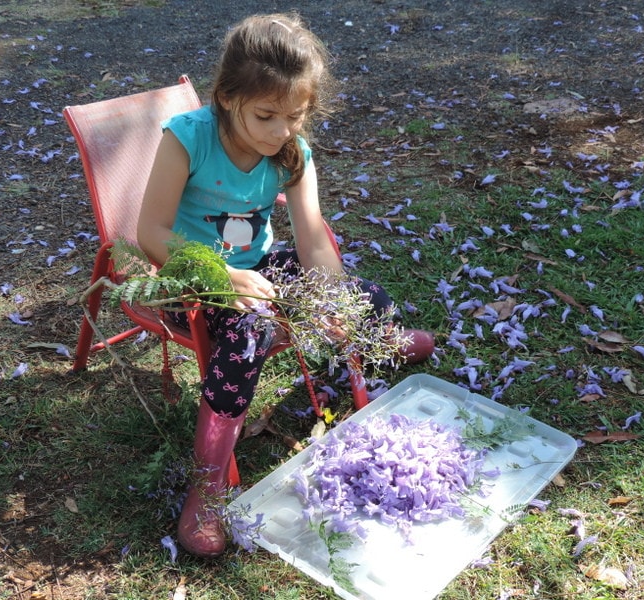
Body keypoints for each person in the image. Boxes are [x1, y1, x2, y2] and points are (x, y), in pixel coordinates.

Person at [137, 13, 434, 557]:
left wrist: (333, 300)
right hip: (192, 284)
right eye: (266, 116)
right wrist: (224, 275)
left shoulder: (293, 153)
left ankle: (376, 343)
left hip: (259, 269)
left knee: (367, 296)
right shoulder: (188, 140)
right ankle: (206, 483)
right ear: (227, 98)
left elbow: (313, 240)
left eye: (294, 116)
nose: (281, 131)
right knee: (246, 337)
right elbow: (150, 233)